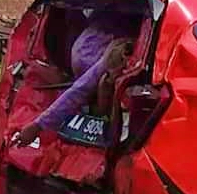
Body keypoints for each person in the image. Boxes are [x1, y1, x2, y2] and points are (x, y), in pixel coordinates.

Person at [13, 10, 138, 146]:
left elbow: (81, 89)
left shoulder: (117, 58)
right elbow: (79, 89)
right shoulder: (104, 54)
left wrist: (37, 126)